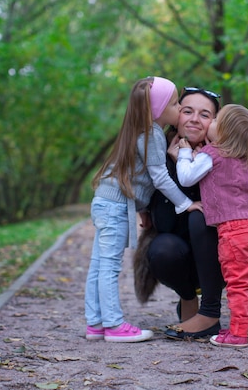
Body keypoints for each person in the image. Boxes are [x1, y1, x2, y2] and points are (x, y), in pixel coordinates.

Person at [85, 77, 202, 343]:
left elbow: (138, 178)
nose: (179, 107)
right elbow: (158, 178)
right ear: (158, 109)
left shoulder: (141, 131)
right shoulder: (153, 134)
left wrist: (143, 210)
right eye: (174, 103)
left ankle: (96, 323)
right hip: (114, 206)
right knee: (109, 267)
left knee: (98, 265)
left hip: (107, 201)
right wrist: (186, 204)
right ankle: (113, 325)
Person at [176, 104, 248, 348]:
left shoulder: (211, 154)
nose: (210, 123)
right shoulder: (245, 160)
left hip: (233, 231)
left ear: (224, 134)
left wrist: (184, 154)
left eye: (215, 121)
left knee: (237, 283)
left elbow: (186, 177)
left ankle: (237, 333)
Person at [133, 87, 224, 339]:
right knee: (161, 249)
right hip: (177, 254)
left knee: (200, 215)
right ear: (174, 115)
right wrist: (175, 165)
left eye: (205, 115)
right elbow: (158, 212)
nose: (195, 119)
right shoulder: (157, 154)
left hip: (222, 255)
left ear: (216, 123)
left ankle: (210, 312)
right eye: (187, 111)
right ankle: (187, 297)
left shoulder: (226, 157)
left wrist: (199, 163)